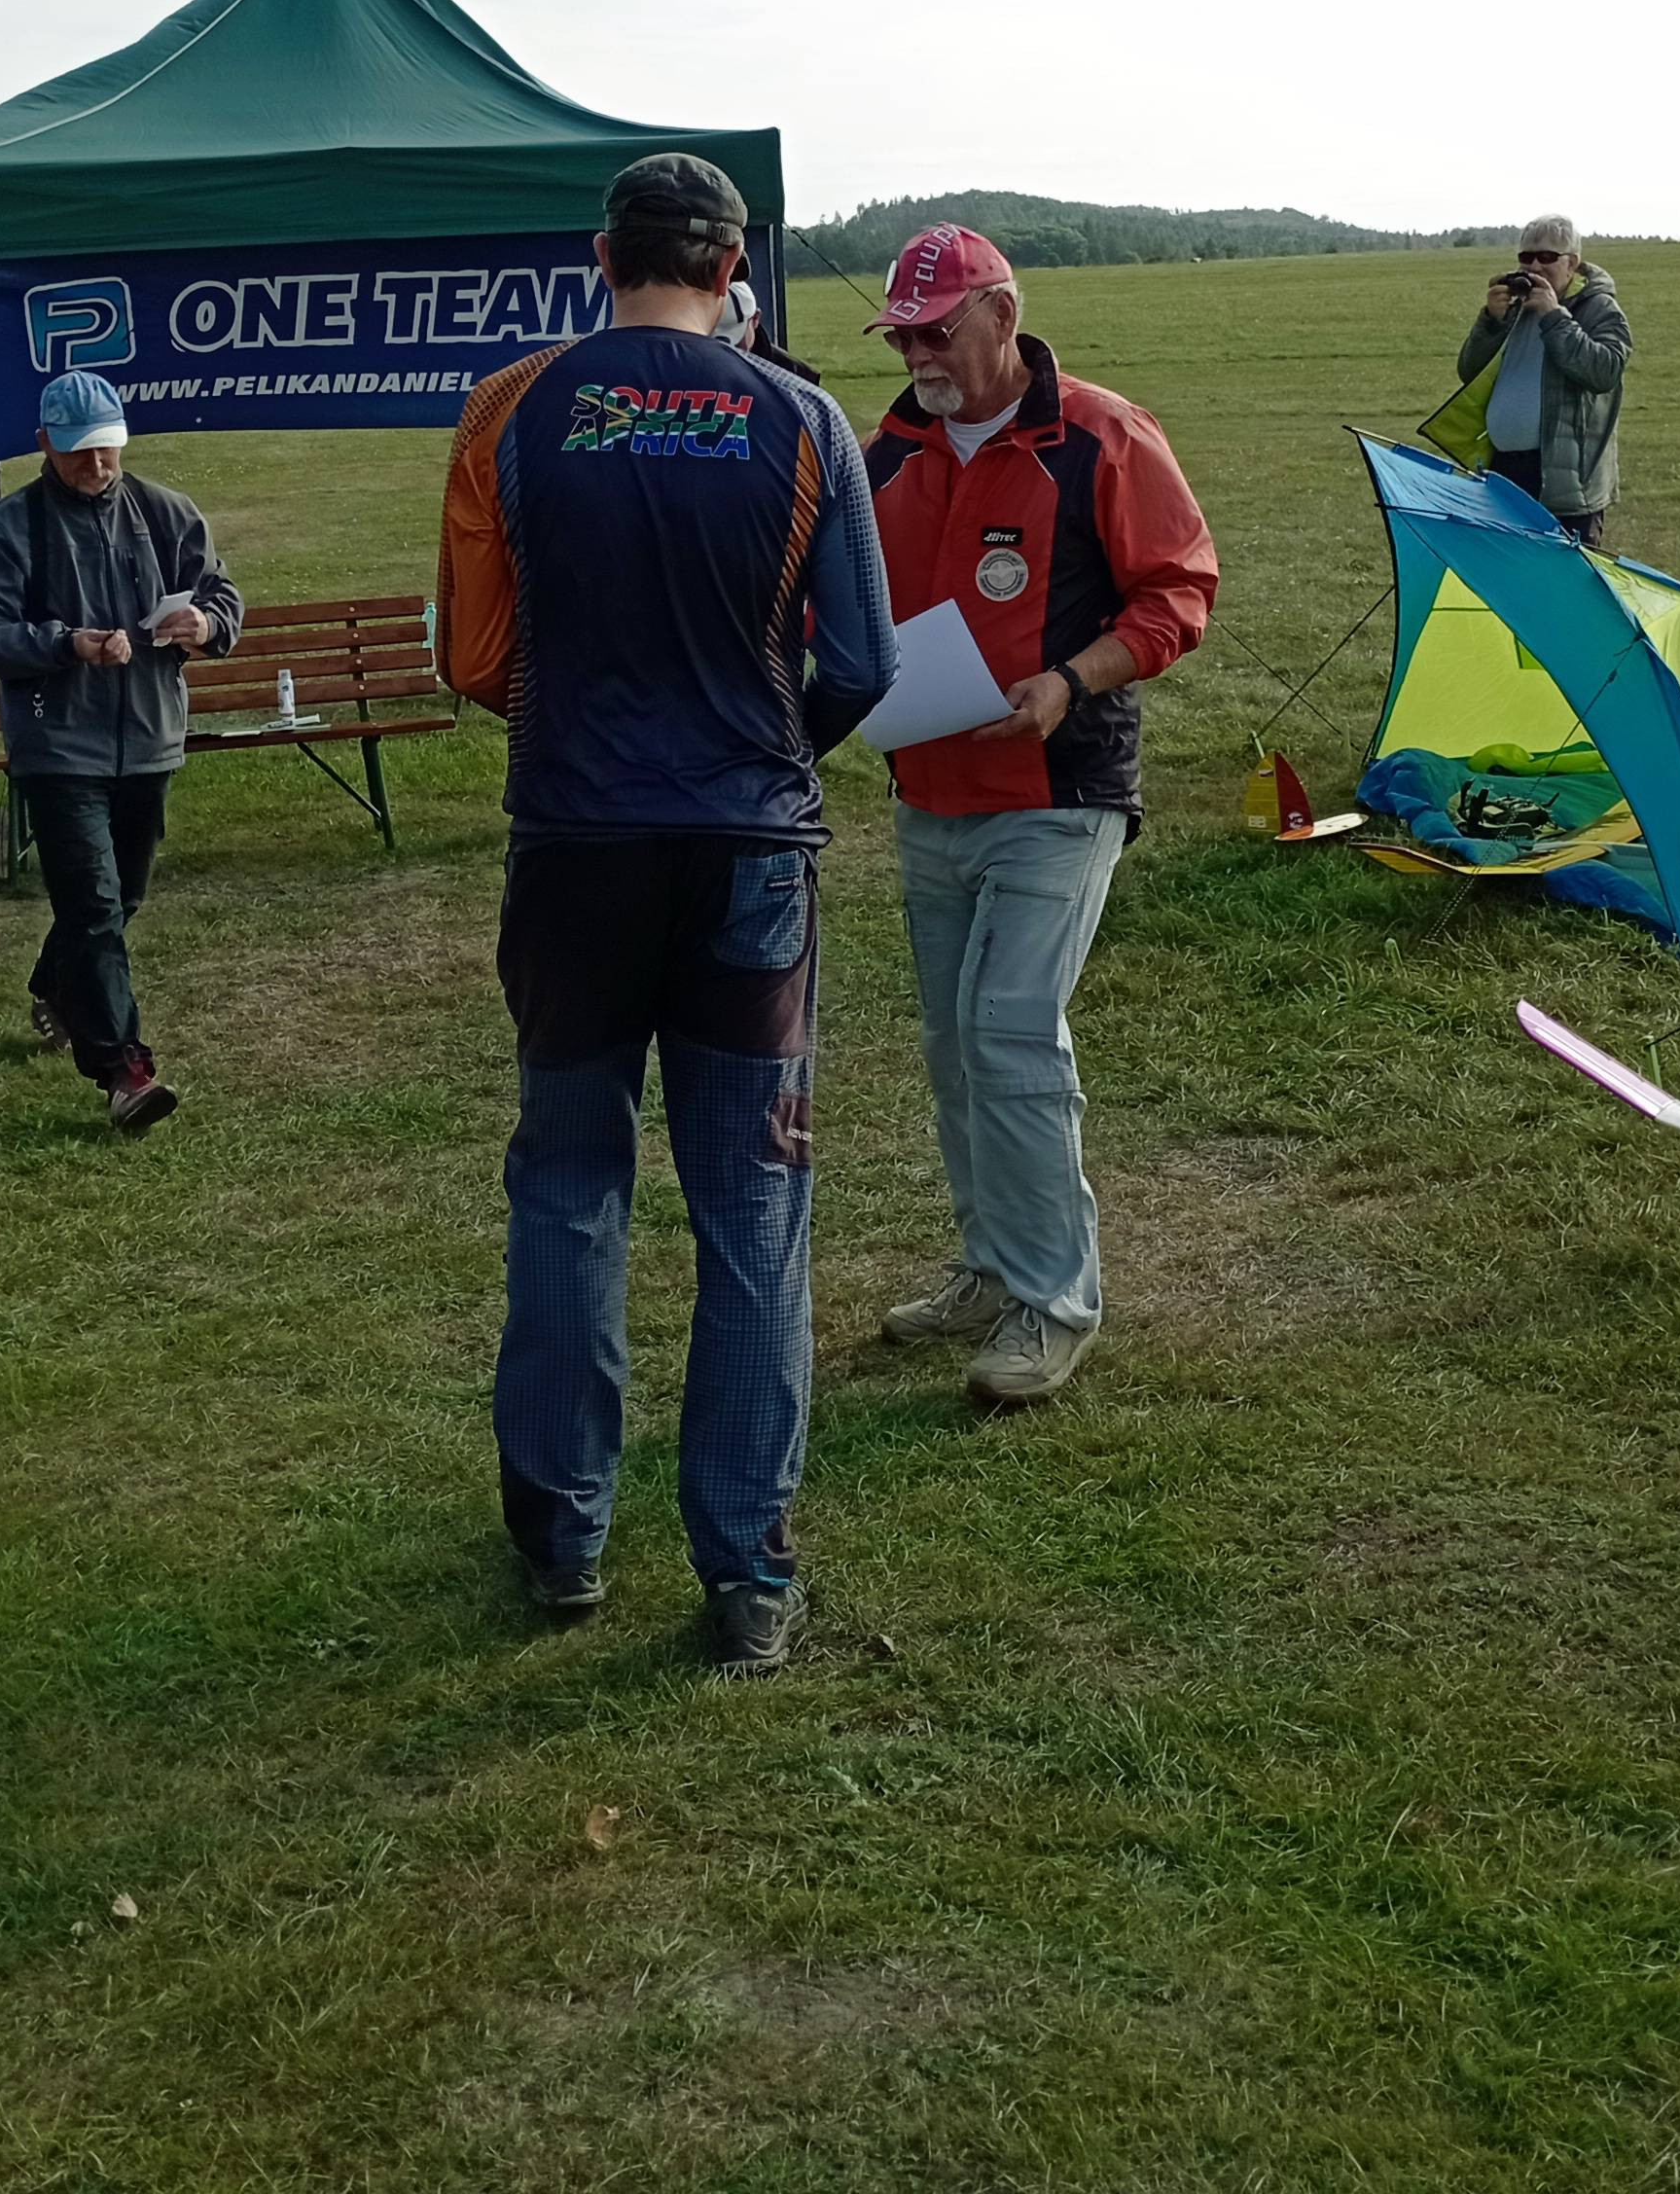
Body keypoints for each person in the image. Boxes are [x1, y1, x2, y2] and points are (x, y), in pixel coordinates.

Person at [439, 153, 898, 1673]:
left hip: (577, 847)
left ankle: (564, 1535)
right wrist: (762, 754)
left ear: (602, 257)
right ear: (733, 269)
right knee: (753, 1205)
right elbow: (864, 663)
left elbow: (472, 656)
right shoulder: (807, 418)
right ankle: (746, 1570)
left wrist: (584, 730)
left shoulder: (512, 407)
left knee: (570, 1183)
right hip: (745, 856)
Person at [857, 228, 1216, 1406]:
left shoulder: (1104, 436)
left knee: (1011, 1032)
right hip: (930, 793)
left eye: (937, 332)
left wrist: (1071, 680)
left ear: (1003, 316)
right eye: (902, 338)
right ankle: (990, 1263)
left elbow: (1180, 591)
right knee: (954, 1046)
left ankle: (1054, 1304)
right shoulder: (887, 454)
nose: (919, 356)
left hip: (1061, 794)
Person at [0, 370, 242, 1135]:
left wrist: (206, 626)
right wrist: (66, 644)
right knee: (94, 905)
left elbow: (222, 595)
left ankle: (57, 984)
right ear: (43, 444)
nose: (97, 464)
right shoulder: (6, 530)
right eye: (79, 451)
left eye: (108, 447)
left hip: (149, 739)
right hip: (56, 746)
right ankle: (124, 1074)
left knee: (121, 900)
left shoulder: (167, 512)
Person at [1449, 213, 1633, 546]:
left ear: (1571, 264)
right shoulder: (1517, 305)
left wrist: (1554, 317)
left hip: (1565, 482)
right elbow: (1469, 371)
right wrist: (1491, 322)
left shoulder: (1599, 307)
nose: (1534, 266)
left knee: (1564, 574)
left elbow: (1604, 372)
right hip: (1505, 470)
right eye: (1526, 257)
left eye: (1547, 257)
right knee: (1508, 567)